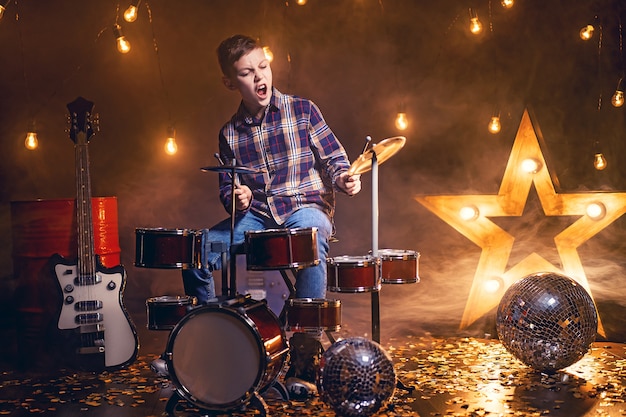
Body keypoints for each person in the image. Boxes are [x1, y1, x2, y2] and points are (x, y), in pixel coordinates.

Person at [181, 34, 361, 398]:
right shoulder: (229, 134)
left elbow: (336, 159)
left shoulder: (304, 110)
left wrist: (345, 178)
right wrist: (239, 199)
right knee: (196, 250)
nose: (260, 78)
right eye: (248, 73)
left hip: (305, 208)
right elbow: (227, 194)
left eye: (263, 67)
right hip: (259, 216)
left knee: (309, 241)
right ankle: (213, 336)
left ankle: (304, 358)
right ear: (231, 82)